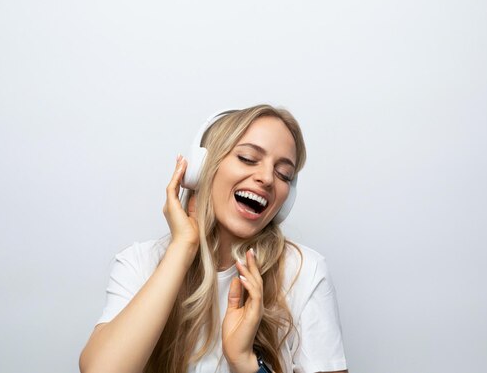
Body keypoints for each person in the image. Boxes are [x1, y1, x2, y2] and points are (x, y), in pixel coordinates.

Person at [79, 105, 348, 373]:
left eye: (283, 175)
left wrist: (245, 363)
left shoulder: (304, 272)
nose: (267, 178)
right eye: (248, 158)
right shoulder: (139, 263)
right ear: (202, 168)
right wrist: (182, 248)